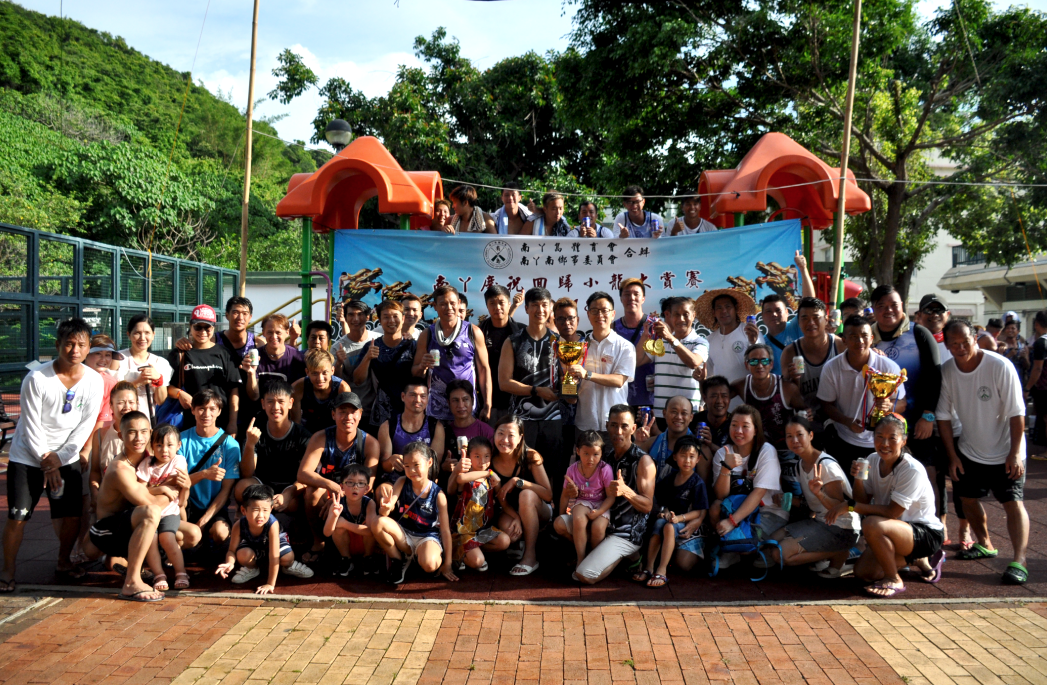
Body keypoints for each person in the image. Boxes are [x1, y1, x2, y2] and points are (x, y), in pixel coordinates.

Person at [2, 318, 102, 590]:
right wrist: (47, 462)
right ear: (57, 345)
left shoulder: (94, 380)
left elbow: (85, 425)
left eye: (81, 344)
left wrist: (61, 457)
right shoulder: (36, 378)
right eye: (69, 344)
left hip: (65, 457)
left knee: (72, 516)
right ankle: (7, 571)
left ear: (88, 348)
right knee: (18, 516)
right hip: (28, 457)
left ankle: (63, 562)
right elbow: (30, 424)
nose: (75, 350)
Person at [937, 319, 1030, 585]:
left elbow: (1017, 413)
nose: (960, 348)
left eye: (965, 342)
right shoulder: (948, 370)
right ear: (946, 345)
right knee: (967, 499)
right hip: (970, 449)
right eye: (954, 343)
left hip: (1006, 450)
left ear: (975, 339)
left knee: (1012, 502)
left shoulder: (1000, 366)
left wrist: (1014, 453)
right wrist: (953, 456)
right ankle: (985, 543)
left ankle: (1020, 560)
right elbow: (943, 416)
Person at [841, 415, 945, 597]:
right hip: (895, 530)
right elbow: (862, 501)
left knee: (872, 523)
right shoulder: (872, 459)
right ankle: (918, 559)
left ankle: (894, 578)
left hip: (926, 533)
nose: (885, 444)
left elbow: (892, 512)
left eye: (892, 438)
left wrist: (850, 506)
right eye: (879, 437)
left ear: (904, 441)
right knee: (864, 573)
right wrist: (858, 479)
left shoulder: (911, 469)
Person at [83, 411, 170, 602]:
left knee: (187, 534)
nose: (139, 438)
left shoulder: (150, 457)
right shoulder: (120, 469)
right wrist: (173, 489)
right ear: (121, 436)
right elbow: (151, 504)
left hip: (127, 524)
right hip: (105, 533)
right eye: (132, 432)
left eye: (143, 432)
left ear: (150, 433)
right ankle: (132, 582)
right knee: (151, 513)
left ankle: (126, 562)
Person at [570, 406, 655, 584]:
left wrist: (626, 491)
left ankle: (628, 555)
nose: (618, 431)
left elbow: (648, 506)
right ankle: (604, 555)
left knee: (585, 574)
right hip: (603, 524)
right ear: (607, 426)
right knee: (561, 524)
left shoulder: (643, 461)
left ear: (633, 428)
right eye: (614, 425)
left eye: (624, 426)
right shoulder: (606, 456)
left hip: (626, 533)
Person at [768, 416, 859, 578]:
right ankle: (827, 555)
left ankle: (839, 553)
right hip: (820, 522)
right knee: (771, 541)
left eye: (799, 435)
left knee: (779, 554)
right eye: (789, 436)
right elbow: (811, 506)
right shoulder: (800, 465)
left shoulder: (826, 465)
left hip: (843, 528)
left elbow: (840, 507)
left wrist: (819, 493)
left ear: (810, 435)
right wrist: (788, 500)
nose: (795, 440)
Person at [817, 315, 907, 474]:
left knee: (879, 485)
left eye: (864, 336)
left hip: (881, 443)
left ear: (871, 339)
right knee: (850, 485)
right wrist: (847, 421)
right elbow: (826, 405)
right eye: (853, 336)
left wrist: (888, 406)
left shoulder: (888, 366)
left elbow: (902, 403)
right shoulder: (831, 368)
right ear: (844, 340)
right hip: (845, 438)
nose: (860, 341)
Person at [298, 392, 380, 562]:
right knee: (312, 491)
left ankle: (360, 554)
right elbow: (303, 473)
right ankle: (319, 542)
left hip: (354, 496)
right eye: (342, 412)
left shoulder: (370, 443)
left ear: (360, 414)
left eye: (353, 412)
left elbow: (368, 485)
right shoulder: (320, 438)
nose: (348, 417)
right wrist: (332, 487)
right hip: (329, 493)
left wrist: (341, 498)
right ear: (333, 414)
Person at [710, 405, 788, 568]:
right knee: (716, 507)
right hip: (736, 506)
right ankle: (730, 549)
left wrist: (732, 522)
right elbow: (721, 495)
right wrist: (726, 468)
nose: (738, 431)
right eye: (734, 425)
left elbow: (759, 493)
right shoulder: (723, 453)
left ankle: (757, 548)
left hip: (768, 511)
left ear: (755, 430)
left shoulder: (766, 451)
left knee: (747, 548)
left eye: (745, 426)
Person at [500, 287, 564, 478]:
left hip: (552, 417)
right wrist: (536, 390)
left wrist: (570, 388)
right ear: (526, 308)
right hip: (521, 419)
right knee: (522, 470)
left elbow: (566, 378)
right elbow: (504, 382)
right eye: (535, 305)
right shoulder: (513, 341)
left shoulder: (559, 342)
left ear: (550, 308)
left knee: (552, 471)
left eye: (544, 305)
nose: (540, 310)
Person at [372, 441, 458, 584]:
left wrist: (447, 563)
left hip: (427, 537)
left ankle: (421, 556)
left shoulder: (438, 495)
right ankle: (398, 560)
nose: (411, 470)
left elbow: (445, 531)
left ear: (429, 463)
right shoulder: (401, 482)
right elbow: (386, 511)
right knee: (378, 522)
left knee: (430, 565)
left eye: (416, 465)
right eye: (407, 466)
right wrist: (385, 508)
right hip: (404, 535)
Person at [411, 285, 492, 422]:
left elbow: (484, 369)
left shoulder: (473, 332)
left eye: (452, 303)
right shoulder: (427, 334)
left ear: (459, 303)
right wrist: (422, 366)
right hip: (437, 408)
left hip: (465, 406)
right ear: (435, 306)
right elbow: (415, 373)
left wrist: (487, 404)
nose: (449, 307)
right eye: (443, 304)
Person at [635, 436, 708, 587]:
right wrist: (664, 511)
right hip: (671, 519)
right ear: (675, 457)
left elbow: (698, 512)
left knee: (668, 527)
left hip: (686, 523)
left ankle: (662, 570)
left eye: (691, 456)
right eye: (683, 456)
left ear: (698, 459)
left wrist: (679, 518)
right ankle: (649, 567)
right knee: (659, 523)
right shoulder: (671, 477)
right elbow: (662, 500)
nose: (687, 460)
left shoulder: (697, 482)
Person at [215, 484, 313, 593]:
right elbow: (231, 551)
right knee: (242, 554)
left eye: (265, 510)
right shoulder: (239, 525)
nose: (260, 515)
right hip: (254, 544)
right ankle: (252, 568)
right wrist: (230, 562)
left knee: (287, 557)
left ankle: (289, 566)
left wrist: (270, 584)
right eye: (255, 510)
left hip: (274, 544)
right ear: (243, 510)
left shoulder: (272, 524)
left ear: (271, 509)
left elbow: (274, 556)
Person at [488, 414, 554, 576]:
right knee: (509, 533)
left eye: (511, 435)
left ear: (520, 438)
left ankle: (530, 556)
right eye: (500, 433)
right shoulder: (490, 458)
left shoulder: (530, 456)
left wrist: (518, 482)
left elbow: (548, 495)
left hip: (539, 510)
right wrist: (517, 517)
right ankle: (518, 543)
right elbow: (501, 499)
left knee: (526, 495)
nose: (505, 440)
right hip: (509, 511)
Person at [237, 381, 311, 513]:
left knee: (295, 503)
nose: (276, 407)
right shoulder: (255, 432)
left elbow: (308, 476)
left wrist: (288, 494)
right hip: (262, 487)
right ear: (263, 404)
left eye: (281, 401)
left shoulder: (303, 436)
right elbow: (247, 474)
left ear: (290, 403)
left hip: (290, 488)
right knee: (241, 488)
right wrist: (250, 444)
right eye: (270, 402)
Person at [167, 304, 241, 435]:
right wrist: (179, 394)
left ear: (213, 328)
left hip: (220, 423)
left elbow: (233, 390)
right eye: (198, 327)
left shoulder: (225, 353)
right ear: (190, 326)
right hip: (189, 424)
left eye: (207, 327)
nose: (203, 332)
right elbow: (167, 387)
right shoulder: (180, 354)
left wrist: (232, 423)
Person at [779, 297, 845, 445]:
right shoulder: (790, 352)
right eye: (805, 318)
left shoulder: (839, 346)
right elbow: (787, 395)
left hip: (840, 425)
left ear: (826, 320)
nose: (811, 322)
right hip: (809, 427)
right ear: (798, 322)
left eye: (816, 317)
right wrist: (793, 380)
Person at [636, 296, 707, 427]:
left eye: (685, 314)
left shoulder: (700, 342)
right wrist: (645, 335)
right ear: (670, 316)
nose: (681, 319)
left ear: (693, 315)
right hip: (661, 414)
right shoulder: (661, 342)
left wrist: (670, 339)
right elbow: (637, 361)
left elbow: (694, 362)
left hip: (688, 415)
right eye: (676, 315)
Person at [182, 390, 241, 545]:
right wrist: (204, 474)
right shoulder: (180, 440)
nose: (206, 414)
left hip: (215, 507)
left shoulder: (230, 445)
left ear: (219, 411)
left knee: (220, 532)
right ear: (193, 410)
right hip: (185, 504)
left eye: (212, 409)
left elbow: (226, 490)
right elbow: (178, 482)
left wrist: (202, 522)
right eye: (201, 408)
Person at [573, 291, 636, 433]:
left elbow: (619, 380)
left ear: (613, 314)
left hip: (616, 426)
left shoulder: (625, 347)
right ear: (588, 315)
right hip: (585, 422)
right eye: (594, 311)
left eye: (604, 310)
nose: (599, 315)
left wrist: (587, 374)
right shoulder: (579, 347)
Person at [138, 424, 190, 592]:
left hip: (170, 512)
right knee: (150, 541)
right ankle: (159, 575)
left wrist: (155, 489)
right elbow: (140, 490)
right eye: (159, 445)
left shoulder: (178, 461)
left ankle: (181, 572)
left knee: (167, 538)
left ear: (178, 445)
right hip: (150, 513)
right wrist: (160, 489)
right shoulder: (146, 464)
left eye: (169, 445)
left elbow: (177, 485)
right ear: (152, 446)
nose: (164, 450)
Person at [730, 343, 807, 455]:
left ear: (771, 364)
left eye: (765, 361)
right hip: (758, 452)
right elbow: (720, 397)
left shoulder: (787, 388)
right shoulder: (741, 385)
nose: (760, 365)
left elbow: (804, 412)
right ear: (747, 365)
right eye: (754, 361)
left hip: (787, 451)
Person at [449, 436, 510, 572]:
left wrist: (516, 517)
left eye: (486, 456)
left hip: (482, 529)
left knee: (504, 541)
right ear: (469, 457)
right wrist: (489, 472)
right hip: (464, 532)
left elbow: (502, 500)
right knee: (478, 562)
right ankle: (460, 554)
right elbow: (461, 478)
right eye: (477, 456)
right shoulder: (468, 475)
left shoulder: (491, 479)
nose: (482, 461)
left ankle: (473, 549)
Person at [353, 300, 417, 430]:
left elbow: (420, 376)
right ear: (380, 320)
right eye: (386, 317)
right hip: (382, 410)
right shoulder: (372, 346)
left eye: (395, 316)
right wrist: (367, 358)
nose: (391, 321)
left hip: (409, 406)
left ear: (403, 318)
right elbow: (358, 380)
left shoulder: (412, 345)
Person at [553, 431, 613, 570]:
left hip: (601, 503)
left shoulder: (605, 469)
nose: (590, 459)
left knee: (598, 528)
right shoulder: (572, 470)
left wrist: (599, 512)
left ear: (601, 454)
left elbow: (610, 497)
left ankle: (592, 558)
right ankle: (581, 558)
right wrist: (561, 514)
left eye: (595, 454)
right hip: (583, 501)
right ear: (578, 451)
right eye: (586, 453)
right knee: (579, 518)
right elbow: (565, 495)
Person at [376, 380, 445, 486]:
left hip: (423, 482)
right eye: (413, 395)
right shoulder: (388, 426)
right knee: (383, 490)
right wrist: (391, 461)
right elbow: (384, 466)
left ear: (427, 398)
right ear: (403, 396)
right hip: (395, 482)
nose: (418, 400)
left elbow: (435, 465)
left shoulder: (436, 427)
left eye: (423, 396)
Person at [696, 289, 763, 388]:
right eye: (719, 308)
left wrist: (754, 342)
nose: (724, 311)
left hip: (748, 394)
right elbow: (708, 374)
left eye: (728, 306)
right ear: (714, 312)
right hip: (722, 396)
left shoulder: (750, 332)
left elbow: (763, 362)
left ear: (735, 309)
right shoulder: (709, 340)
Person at [323, 464, 379, 577]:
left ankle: (368, 558)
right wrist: (334, 516)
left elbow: (370, 531)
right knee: (338, 528)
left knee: (371, 525)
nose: (355, 487)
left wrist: (344, 523)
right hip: (346, 544)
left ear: (367, 488)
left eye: (361, 483)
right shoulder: (337, 504)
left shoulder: (369, 503)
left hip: (365, 544)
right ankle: (346, 559)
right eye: (350, 482)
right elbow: (327, 533)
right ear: (342, 487)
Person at [88, 381, 138, 506]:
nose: (127, 407)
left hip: (136, 500)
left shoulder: (147, 435)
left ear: (137, 404)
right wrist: (94, 492)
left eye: (131, 402)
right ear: (111, 405)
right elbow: (95, 471)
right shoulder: (100, 435)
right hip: (108, 500)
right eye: (121, 403)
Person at [480, 285, 524, 427]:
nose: (497, 307)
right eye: (492, 303)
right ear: (487, 306)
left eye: (501, 302)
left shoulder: (522, 332)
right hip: (488, 402)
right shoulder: (479, 332)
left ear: (509, 304)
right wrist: (486, 403)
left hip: (516, 401)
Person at [331, 300, 380, 427]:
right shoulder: (337, 347)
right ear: (346, 317)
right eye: (351, 314)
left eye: (360, 314)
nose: (355, 319)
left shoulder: (378, 340)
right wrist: (339, 363)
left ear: (367, 317)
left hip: (376, 410)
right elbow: (335, 381)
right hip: (351, 413)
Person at [115, 314, 172, 412]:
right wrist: (138, 382)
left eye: (147, 333)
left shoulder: (161, 363)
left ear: (153, 335)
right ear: (128, 335)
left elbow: (161, 401)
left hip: (148, 419)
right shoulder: (118, 359)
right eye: (137, 333)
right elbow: (112, 394)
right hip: (123, 418)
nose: (142, 338)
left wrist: (158, 379)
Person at [614, 278, 654, 410]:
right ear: (621, 299)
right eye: (627, 294)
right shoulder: (613, 328)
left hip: (652, 398)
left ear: (643, 298)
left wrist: (661, 379)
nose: (631, 298)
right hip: (621, 398)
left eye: (636, 294)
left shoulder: (656, 326)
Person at [291, 349, 351, 435]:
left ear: (332, 371)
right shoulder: (298, 387)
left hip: (334, 433)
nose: (320, 379)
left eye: (324, 373)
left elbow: (345, 421)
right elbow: (296, 422)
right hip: (306, 432)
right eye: (315, 373)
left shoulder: (342, 389)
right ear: (307, 372)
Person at [637, 396, 695, 473]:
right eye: (674, 412)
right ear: (664, 413)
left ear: (691, 417)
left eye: (684, 413)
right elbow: (633, 469)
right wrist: (638, 443)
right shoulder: (650, 443)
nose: (679, 417)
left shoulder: (700, 448)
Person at [693, 377, 733, 467]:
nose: (719, 401)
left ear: (729, 398)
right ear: (705, 398)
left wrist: (710, 445)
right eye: (714, 396)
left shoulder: (735, 424)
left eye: (724, 396)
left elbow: (734, 458)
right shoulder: (695, 420)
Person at [85, 335, 122, 429]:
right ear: (86, 354)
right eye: (98, 353)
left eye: (108, 355)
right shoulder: (71, 376)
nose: (103, 359)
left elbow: (102, 421)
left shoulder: (111, 383)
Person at [1026, 311, 1047, 457]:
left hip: (1044, 388)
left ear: (1037, 324)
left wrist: (1027, 387)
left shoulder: (1041, 342)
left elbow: (1038, 368)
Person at [999, 317, 1029, 385]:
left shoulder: (1023, 347)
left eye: (1013, 328)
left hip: (1019, 380)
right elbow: (998, 365)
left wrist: (1025, 358)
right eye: (1008, 328)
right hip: (1005, 380)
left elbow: (1027, 366)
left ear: (1018, 331)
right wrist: (1008, 355)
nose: (1010, 330)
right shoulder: (1001, 346)